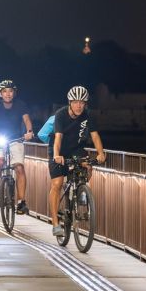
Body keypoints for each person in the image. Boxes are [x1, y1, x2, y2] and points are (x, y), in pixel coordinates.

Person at [48, 86, 106, 237]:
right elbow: (58, 138)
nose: (79, 105)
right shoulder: (60, 115)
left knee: (88, 166)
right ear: (69, 103)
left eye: (82, 102)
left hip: (76, 149)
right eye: (75, 102)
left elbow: (95, 136)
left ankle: (80, 190)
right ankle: (55, 224)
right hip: (58, 150)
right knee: (57, 184)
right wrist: (56, 155)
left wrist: (101, 153)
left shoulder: (87, 115)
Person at [0, 79, 34, 214]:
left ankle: (21, 201)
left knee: (19, 167)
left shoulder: (21, 105)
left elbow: (27, 120)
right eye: (5, 91)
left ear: (14, 93)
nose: (8, 94)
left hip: (16, 139)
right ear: (0, 94)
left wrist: (29, 132)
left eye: (11, 91)